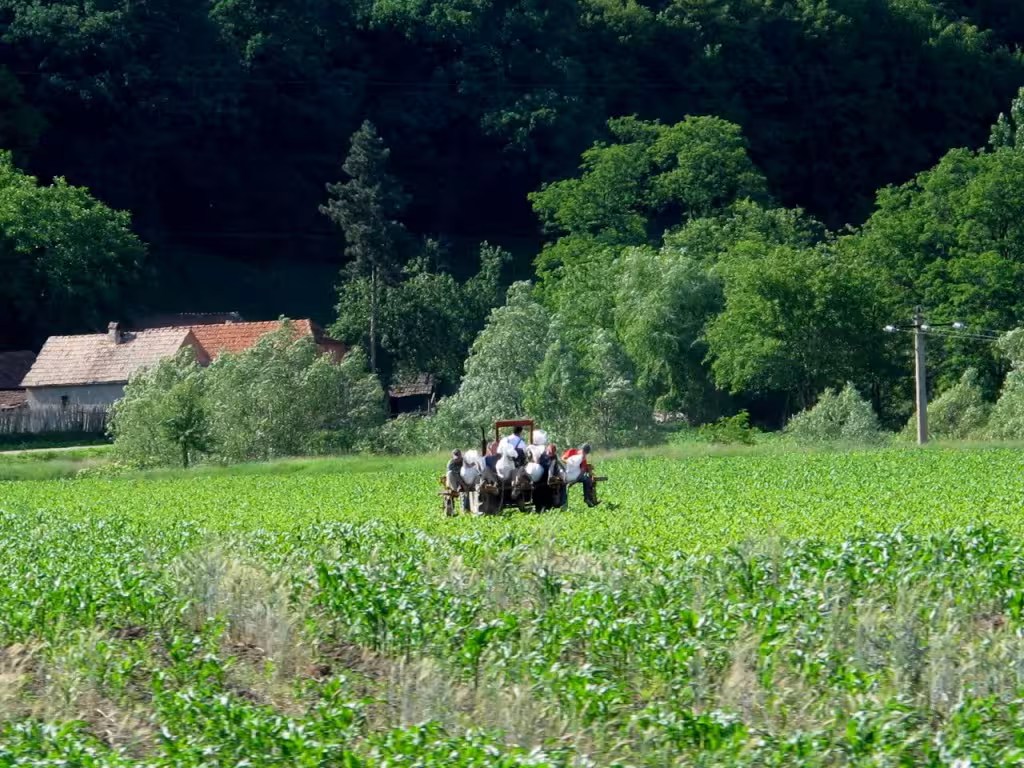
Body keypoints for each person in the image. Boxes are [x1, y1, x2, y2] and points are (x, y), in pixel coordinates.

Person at [561, 443, 599, 507]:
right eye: (584, 451)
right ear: (581, 449)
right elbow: (563, 458)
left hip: (576, 475)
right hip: (565, 473)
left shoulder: (583, 458)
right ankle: (563, 503)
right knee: (562, 483)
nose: (584, 453)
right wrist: (570, 463)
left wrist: (577, 478)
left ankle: (588, 499)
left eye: (586, 453)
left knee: (587, 480)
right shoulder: (572, 451)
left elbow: (583, 469)